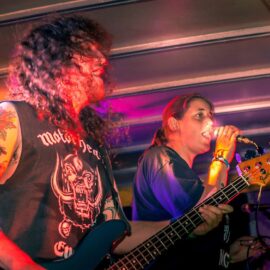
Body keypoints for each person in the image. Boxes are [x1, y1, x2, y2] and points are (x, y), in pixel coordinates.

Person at [0, 16, 232, 270]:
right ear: (57, 60)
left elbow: (117, 235)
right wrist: (19, 264)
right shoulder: (14, 116)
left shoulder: (94, 149)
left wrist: (187, 227)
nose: (102, 60)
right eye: (86, 51)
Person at [132, 93, 266, 269]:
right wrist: (222, 158)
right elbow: (202, 210)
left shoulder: (189, 178)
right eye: (199, 115)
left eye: (210, 115)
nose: (210, 122)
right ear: (174, 124)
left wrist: (226, 256)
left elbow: (186, 242)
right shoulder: (160, 158)